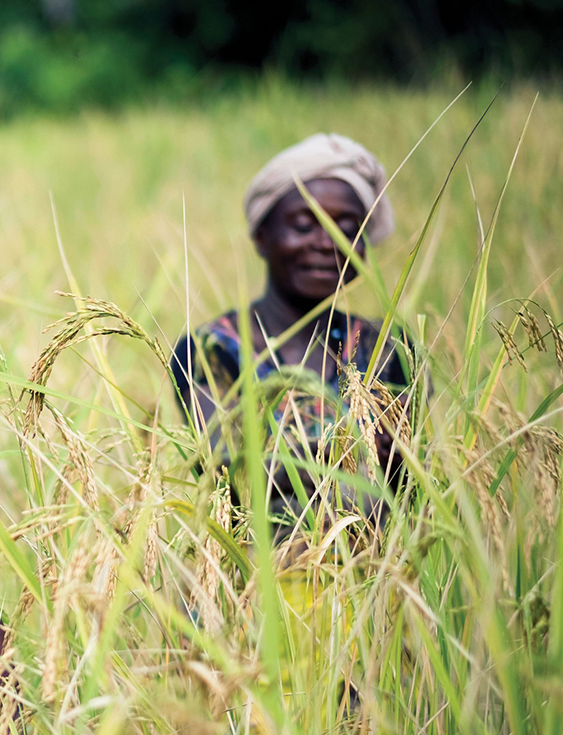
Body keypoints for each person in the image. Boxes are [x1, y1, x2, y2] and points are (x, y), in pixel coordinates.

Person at [170, 133, 418, 528]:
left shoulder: (388, 349)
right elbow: (231, 478)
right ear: (262, 237)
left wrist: (400, 459)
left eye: (346, 229)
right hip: (250, 580)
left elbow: (411, 491)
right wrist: (348, 454)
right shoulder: (209, 350)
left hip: (375, 578)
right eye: (304, 225)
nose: (326, 243)